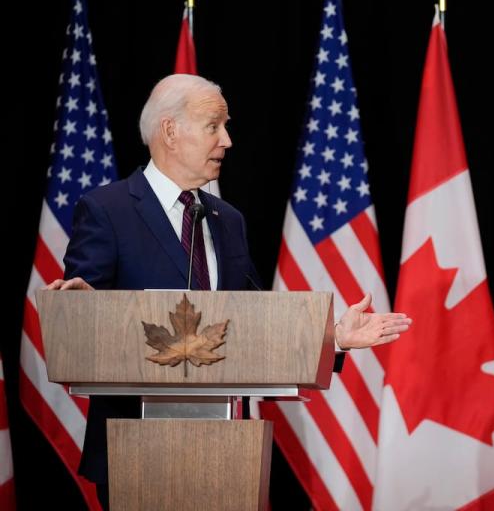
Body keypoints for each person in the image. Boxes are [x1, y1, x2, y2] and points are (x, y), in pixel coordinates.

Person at [44, 74, 412, 507]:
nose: (228, 140)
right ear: (170, 132)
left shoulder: (226, 219)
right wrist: (83, 307)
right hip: (135, 450)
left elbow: (255, 322)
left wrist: (335, 338)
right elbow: (84, 307)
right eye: (214, 125)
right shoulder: (108, 209)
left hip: (225, 453)